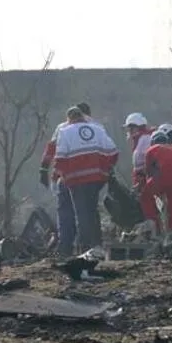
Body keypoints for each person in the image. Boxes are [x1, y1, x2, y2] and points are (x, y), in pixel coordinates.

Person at [52, 106, 118, 255]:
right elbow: (113, 152)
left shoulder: (64, 132)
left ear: (69, 119)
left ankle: (85, 247)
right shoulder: (98, 129)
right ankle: (97, 244)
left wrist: (61, 176)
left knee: (81, 213)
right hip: (96, 179)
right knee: (93, 210)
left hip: (76, 180)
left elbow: (60, 158)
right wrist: (106, 170)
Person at [40, 102, 102, 256]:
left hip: (68, 177)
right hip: (93, 178)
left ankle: (66, 248)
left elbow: (52, 150)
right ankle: (91, 246)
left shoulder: (63, 127)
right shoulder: (97, 126)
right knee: (90, 211)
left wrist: (44, 169)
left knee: (66, 212)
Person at [138, 130, 172, 232]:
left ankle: (155, 227)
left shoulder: (152, 149)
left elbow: (148, 172)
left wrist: (151, 188)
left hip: (163, 177)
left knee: (145, 197)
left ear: (153, 142)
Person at [122, 113, 156, 190]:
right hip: (142, 178)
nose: (129, 131)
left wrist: (143, 179)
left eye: (130, 128)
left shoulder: (145, 139)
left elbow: (150, 161)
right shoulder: (140, 139)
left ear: (136, 127)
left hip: (145, 178)